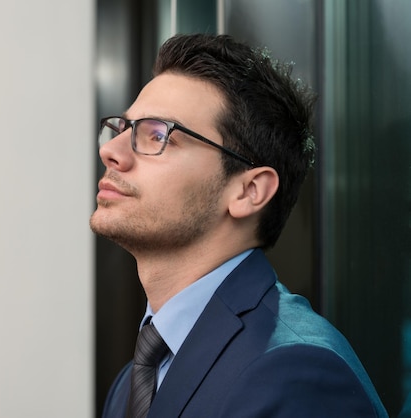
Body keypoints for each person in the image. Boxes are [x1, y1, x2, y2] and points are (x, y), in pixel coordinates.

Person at [90, 33, 388, 418]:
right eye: (120, 129)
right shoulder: (135, 379)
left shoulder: (296, 374)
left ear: (249, 191)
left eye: (157, 135)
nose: (109, 152)